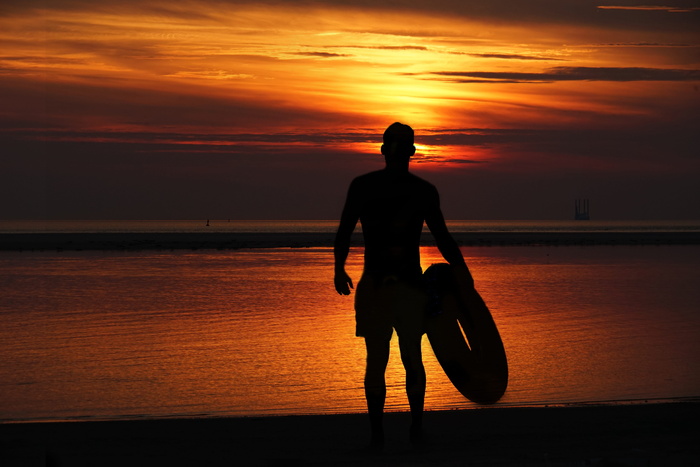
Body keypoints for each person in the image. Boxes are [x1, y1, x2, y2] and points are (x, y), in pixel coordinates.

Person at [333, 122, 473, 447]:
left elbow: (343, 233)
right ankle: (407, 429)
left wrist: (339, 269)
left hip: (391, 286)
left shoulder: (366, 187)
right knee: (406, 359)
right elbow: (443, 239)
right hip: (398, 286)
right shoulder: (419, 191)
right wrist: (463, 272)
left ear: (385, 150)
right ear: (412, 151)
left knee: (386, 361)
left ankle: (385, 432)